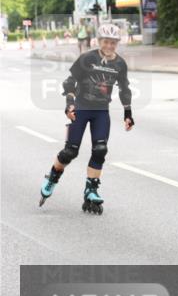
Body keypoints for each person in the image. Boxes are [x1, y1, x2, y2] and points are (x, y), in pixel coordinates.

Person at [39, 23, 134, 215]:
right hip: (81, 109)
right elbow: (69, 82)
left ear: (117, 43)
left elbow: (124, 89)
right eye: (106, 42)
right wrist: (70, 104)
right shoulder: (87, 58)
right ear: (99, 41)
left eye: (113, 43)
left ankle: (91, 189)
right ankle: (52, 178)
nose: (109, 46)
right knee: (69, 153)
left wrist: (128, 113)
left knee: (100, 150)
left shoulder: (120, 64)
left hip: (101, 112)